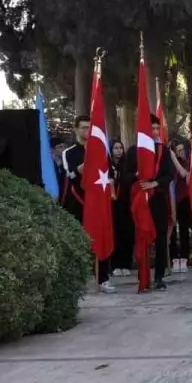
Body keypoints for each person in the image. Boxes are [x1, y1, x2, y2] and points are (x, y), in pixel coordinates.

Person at [60, 115, 115, 293]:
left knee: (101, 236)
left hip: (98, 202)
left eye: (90, 128)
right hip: (78, 202)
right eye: (83, 127)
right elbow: (72, 175)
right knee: (79, 242)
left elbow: (110, 174)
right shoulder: (69, 153)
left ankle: (104, 278)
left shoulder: (102, 150)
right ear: (76, 129)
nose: (87, 131)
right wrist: (90, 158)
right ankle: (80, 280)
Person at [140, 115, 177, 290]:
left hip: (159, 200)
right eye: (151, 129)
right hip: (140, 202)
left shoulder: (164, 152)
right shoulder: (135, 151)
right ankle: (143, 274)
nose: (155, 132)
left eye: (157, 128)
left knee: (161, 238)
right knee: (142, 237)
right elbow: (126, 176)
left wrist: (154, 183)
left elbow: (169, 175)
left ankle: (159, 276)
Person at [110, 139, 134, 277]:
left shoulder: (127, 166)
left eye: (121, 148)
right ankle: (115, 264)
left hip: (126, 203)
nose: (119, 151)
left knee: (127, 234)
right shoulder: (108, 165)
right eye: (116, 148)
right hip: (113, 204)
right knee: (115, 234)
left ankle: (126, 263)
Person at [170, 141, 192, 273]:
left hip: (185, 200)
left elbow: (185, 174)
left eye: (182, 150)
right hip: (173, 200)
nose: (180, 153)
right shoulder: (171, 165)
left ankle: (184, 257)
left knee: (184, 231)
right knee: (172, 230)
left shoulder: (189, 163)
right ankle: (173, 258)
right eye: (178, 151)